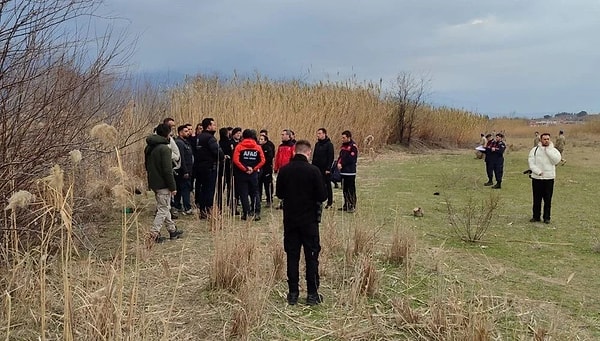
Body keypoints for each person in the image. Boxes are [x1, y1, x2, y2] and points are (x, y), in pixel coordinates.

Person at [275, 140, 327, 305]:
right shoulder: (313, 171)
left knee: (292, 256)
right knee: (311, 256)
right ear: (308, 152)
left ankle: (293, 293)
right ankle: (312, 293)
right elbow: (322, 196)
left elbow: (280, 194)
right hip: (309, 221)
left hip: (290, 220)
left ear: (294, 151)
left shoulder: (284, 170)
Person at [145, 123, 184, 243]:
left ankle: (172, 230)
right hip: (163, 184)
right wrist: (173, 187)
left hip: (154, 182)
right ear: (167, 134)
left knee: (165, 207)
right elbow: (168, 170)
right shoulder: (165, 149)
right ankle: (154, 234)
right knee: (163, 209)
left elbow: (146, 165)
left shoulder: (149, 147)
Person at [193, 118, 224, 219]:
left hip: (200, 167)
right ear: (209, 126)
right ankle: (209, 211)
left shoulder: (199, 137)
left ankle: (202, 211)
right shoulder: (210, 138)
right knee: (209, 190)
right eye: (213, 125)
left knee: (203, 190)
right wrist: (222, 156)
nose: (215, 127)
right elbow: (217, 151)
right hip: (210, 167)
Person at [528, 133, 562, 224]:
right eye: (544, 139)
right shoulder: (534, 150)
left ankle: (547, 217)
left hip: (549, 178)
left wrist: (548, 151)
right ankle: (536, 216)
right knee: (537, 199)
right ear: (541, 140)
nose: (546, 141)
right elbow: (531, 163)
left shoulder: (554, 150)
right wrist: (537, 171)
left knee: (547, 199)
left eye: (548, 139)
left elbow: (556, 161)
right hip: (537, 178)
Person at [232, 129, 265, 221]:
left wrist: (245, 168)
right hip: (253, 174)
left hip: (241, 174)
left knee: (243, 193)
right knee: (255, 193)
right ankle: (256, 212)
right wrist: (254, 168)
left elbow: (235, 160)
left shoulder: (239, 146)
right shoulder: (258, 147)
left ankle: (246, 213)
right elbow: (263, 160)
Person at [173, 125, 194, 215]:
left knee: (182, 188)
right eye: (185, 131)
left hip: (188, 169)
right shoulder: (179, 143)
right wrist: (185, 171)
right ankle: (186, 207)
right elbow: (182, 158)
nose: (188, 132)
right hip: (182, 171)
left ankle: (178, 206)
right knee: (185, 188)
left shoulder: (186, 142)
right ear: (180, 132)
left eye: (188, 131)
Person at [312, 128, 335, 209]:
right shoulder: (317, 144)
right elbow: (314, 156)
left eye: (319, 133)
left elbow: (331, 157)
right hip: (317, 168)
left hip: (325, 169)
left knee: (327, 185)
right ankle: (318, 200)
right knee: (317, 184)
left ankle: (330, 202)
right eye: (317, 133)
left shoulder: (329, 145)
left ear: (324, 134)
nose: (318, 135)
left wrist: (328, 168)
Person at [337, 130, 358, 212]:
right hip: (343, 171)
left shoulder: (353, 146)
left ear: (348, 138)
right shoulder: (343, 146)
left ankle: (352, 205)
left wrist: (342, 164)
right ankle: (346, 204)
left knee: (351, 189)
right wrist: (338, 163)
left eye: (344, 138)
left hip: (350, 172)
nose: (342, 139)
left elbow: (351, 159)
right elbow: (341, 156)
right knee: (344, 189)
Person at [274, 129, 295, 209]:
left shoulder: (292, 146)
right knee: (281, 186)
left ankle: (288, 202)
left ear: (288, 136)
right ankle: (281, 202)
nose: (282, 136)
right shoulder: (281, 146)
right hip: (281, 169)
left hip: (289, 169)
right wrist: (275, 167)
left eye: (283, 135)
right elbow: (277, 157)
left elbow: (294, 157)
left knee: (289, 186)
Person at [258, 133, 275, 207]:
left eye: (262, 139)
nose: (260, 140)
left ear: (265, 140)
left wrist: (263, 162)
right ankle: (259, 198)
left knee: (267, 184)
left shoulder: (268, 148)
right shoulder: (258, 147)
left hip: (267, 169)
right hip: (260, 168)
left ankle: (269, 199)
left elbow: (270, 157)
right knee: (259, 184)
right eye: (260, 139)